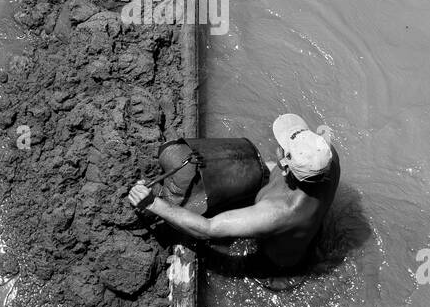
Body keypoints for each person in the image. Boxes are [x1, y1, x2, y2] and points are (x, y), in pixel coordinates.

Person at [127, 114, 340, 270]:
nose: (279, 143)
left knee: (220, 249)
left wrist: (153, 203)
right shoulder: (325, 156)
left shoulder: (276, 212)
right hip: (304, 227)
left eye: (282, 146)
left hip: (275, 260)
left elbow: (207, 228)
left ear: (285, 167)